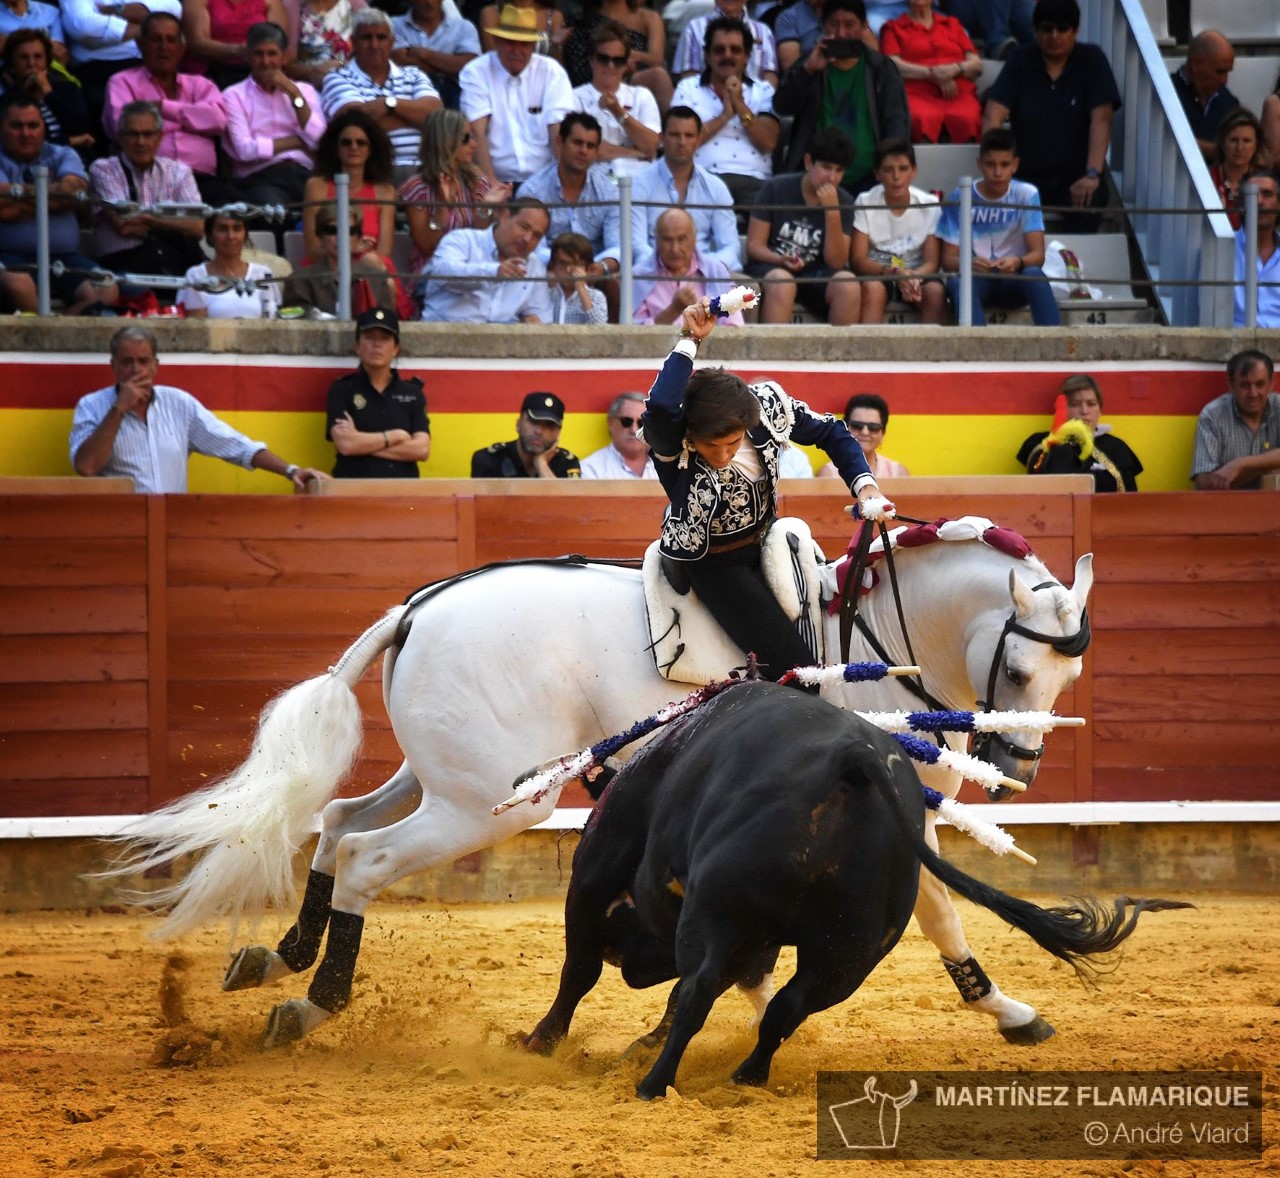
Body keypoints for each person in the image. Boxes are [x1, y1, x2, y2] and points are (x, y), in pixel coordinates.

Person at [641, 297, 882, 683]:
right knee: (798, 672)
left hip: (767, 541)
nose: (721, 455)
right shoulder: (674, 437)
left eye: (732, 443)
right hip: (711, 562)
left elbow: (832, 431)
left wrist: (865, 486)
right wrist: (689, 339)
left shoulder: (766, 407)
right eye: (709, 446)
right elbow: (661, 406)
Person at [70, 325, 325, 494]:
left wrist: (290, 471)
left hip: (169, 523)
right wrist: (119, 409)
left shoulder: (179, 403)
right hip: (117, 526)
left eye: (143, 361)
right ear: (113, 365)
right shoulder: (91, 406)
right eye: (127, 362)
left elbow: (235, 445)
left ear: (156, 365)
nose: (136, 370)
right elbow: (87, 467)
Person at [982, 0, 1119, 234]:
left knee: (1090, 198)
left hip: (1077, 177)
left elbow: (1102, 119)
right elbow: (994, 113)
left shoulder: (1092, 59)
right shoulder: (1020, 60)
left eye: (1062, 28)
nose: (1054, 36)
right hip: (1025, 177)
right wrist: (995, 169)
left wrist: (1092, 174)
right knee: (998, 207)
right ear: (1035, 31)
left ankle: (1072, 266)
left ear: (1075, 31)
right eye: (1046, 29)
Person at [772, 0, 910, 195]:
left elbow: (896, 122)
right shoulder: (809, 64)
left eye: (849, 25)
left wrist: (887, 169)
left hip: (869, 179)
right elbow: (783, 106)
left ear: (864, 27)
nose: (841, 33)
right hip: (815, 177)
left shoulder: (882, 68)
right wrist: (807, 71)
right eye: (834, 24)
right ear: (823, 25)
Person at [0, 93, 118, 315]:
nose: (26, 133)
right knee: (18, 284)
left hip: (64, 257)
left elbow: (73, 194)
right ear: (1, 127)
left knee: (107, 288)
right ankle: (41, 336)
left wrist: (18, 196)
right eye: (17, 126)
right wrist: (53, 196)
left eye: (33, 125)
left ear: (43, 127)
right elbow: (2, 208)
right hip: (9, 255)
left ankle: (61, 326)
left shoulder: (63, 153)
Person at [103, 12, 236, 206]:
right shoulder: (121, 82)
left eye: (171, 40)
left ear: (182, 48)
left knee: (237, 210)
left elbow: (218, 121)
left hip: (203, 180)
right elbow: (121, 127)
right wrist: (194, 120)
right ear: (141, 44)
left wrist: (162, 109)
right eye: (156, 40)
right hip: (147, 179)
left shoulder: (201, 85)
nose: (164, 47)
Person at [937, 126, 1060, 327]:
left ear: (1015, 165)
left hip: (1013, 279)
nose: (997, 172)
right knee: (959, 282)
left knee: (1034, 275)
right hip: (976, 280)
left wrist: (1018, 262)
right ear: (979, 164)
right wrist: (970, 263)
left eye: (1004, 165)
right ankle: (977, 350)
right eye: (990, 165)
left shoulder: (1027, 194)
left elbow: (1038, 255)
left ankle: (1055, 343)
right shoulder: (960, 195)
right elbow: (948, 259)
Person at [745, 125, 860, 325]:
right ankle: (774, 354)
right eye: (826, 167)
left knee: (848, 285)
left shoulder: (845, 201)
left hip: (816, 272)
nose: (831, 178)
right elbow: (754, 246)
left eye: (839, 171)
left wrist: (832, 212)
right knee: (783, 283)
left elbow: (836, 263)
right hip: (772, 266)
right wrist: (780, 259)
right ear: (808, 162)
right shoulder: (776, 188)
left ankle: (840, 355)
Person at [89, 100, 205, 295]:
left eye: (148, 134)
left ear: (159, 137)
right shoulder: (103, 169)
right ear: (120, 138)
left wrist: (147, 219)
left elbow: (198, 226)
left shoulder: (179, 172)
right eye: (133, 134)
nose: (141, 142)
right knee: (140, 293)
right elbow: (123, 224)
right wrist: (170, 219)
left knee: (210, 291)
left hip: (175, 259)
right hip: (122, 262)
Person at [670, 16, 780, 216]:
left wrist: (740, 105)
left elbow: (768, 142)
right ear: (707, 55)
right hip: (702, 178)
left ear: (747, 56)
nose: (727, 55)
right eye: (719, 50)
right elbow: (681, 142)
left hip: (754, 181)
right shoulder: (687, 88)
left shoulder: (763, 90)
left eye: (735, 50)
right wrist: (724, 117)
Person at [459, 4, 574, 188]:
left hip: (544, 180)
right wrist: (491, 184)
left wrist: (560, 184)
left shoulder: (552, 72)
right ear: (496, 41)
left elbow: (557, 131)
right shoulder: (476, 72)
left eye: (524, 44)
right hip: (492, 178)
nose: (516, 50)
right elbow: (476, 131)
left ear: (534, 45)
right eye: (510, 42)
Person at [320, 8, 440, 176]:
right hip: (372, 173)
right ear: (353, 42)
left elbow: (436, 116)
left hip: (425, 171)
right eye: (367, 37)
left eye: (381, 37)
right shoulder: (338, 77)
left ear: (391, 43)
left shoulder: (413, 74)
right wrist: (415, 118)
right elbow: (352, 124)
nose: (374, 45)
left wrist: (388, 104)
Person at [222, 22, 326, 217]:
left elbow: (320, 140)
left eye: (272, 54)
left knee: (333, 214)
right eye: (259, 54)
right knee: (275, 215)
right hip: (262, 178)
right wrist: (297, 141)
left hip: (307, 175)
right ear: (248, 56)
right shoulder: (233, 95)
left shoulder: (305, 91)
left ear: (284, 57)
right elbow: (245, 151)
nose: (266, 61)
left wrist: (293, 93)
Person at [629, 106, 741, 275]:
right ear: (661, 138)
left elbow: (730, 247)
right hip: (653, 272)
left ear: (698, 140)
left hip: (706, 273)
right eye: (675, 135)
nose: (682, 142)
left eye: (689, 136)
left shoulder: (716, 187)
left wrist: (702, 268)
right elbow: (637, 245)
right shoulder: (639, 184)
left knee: (749, 288)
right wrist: (663, 267)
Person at [399, 107, 507, 275]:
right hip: (433, 273)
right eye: (465, 138)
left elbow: (479, 239)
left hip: (473, 270)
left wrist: (485, 207)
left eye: (472, 136)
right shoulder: (418, 187)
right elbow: (426, 247)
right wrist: (443, 207)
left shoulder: (476, 180)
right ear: (445, 141)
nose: (474, 144)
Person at [326, 307, 430, 478]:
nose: (377, 344)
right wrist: (396, 436)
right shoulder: (341, 390)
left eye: (385, 338)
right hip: (353, 491)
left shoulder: (412, 394)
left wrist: (361, 444)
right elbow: (346, 445)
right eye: (369, 337)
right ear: (357, 347)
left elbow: (421, 450)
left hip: (403, 493)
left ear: (396, 348)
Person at [849, 137, 944, 324]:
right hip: (880, 272)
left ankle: (930, 352)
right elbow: (858, 260)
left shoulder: (929, 204)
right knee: (872, 289)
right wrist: (895, 274)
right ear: (877, 174)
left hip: (917, 273)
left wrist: (912, 278)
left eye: (903, 169)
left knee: (935, 292)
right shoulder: (865, 201)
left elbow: (932, 262)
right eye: (888, 170)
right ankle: (869, 351)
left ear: (914, 171)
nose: (896, 177)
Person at [420, 195, 554, 323]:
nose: (527, 239)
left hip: (501, 343)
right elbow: (443, 273)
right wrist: (494, 272)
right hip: (443, 336)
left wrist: (534, 321)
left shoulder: (534, 266)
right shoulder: (463, 239)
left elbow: (542, 317)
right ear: (505, 216)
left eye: (536, 236)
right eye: (524, 227)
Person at [517, 113, 621, 277]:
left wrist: (601, 266)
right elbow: (533, 248)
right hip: (549, 271)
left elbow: (618, 247)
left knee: (613, 280)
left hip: (596, 274)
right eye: (577, 143)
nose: (583, 151)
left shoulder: (609, 192)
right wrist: (566, 266)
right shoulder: (532, 191)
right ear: (560, 142)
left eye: (591, 146)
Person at [1016, 374, 1141, 492]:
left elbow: (1130, 500)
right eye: (1075, 404)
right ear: (1063, 409)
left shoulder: (1116, 447)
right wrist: (1060, 436)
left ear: (1100, 410)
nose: (1084, 411)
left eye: (1091, 404)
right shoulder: (1040, 442)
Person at [879, 0, 981, 145]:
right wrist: (931, 74)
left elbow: (976, 63)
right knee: (921, 117)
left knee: (968, 117)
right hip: (916, 93)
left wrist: (953, 70)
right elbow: (891, 64)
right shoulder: (893, 28)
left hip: (957, 92)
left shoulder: (952, 24)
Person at [569, 20, 660, 180]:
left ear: (626, 64)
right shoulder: (574, 98)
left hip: (640, 181)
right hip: (594, 181)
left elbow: (651, 146)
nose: (610, 66)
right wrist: (633, 153)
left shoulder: (642, 95)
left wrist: (617, 111)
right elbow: (585, 149)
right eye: (603, 59)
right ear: (591, 59)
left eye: (618, 60)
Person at [302, 109, 395, 263]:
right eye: (346, 142)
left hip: (370, 270)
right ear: (336, 148)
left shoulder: (385, 192)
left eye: (361, 142)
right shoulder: (316, 187)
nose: (353, 147)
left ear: (371, 149)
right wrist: (352, 248)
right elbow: (313, 250)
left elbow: (384, 253)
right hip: (326, 269)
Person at [60, 0, 183, 115]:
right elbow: (85, 28)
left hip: (151, 66)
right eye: (154, 37)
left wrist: (116, 10)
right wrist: (150, 30)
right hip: (99, 72)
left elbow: (174, 9)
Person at [633, 206, 744, 325]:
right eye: (667, 240)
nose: (675, 249)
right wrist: (674, 310)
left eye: (681, 239)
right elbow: (637, 336)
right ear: (657, 240)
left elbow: (734, 326)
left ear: (694, 238)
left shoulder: (716, 271)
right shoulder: (639, 276)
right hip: (661, 344)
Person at [280, 201, 399, 313]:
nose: (341, 237)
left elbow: (386, 329)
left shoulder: (377, 280)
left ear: (359, 237)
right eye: (332, 230)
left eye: (349, 231)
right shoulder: (299, 282)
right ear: (320, 235)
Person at [1191, 349, 1280, 491]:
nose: (1253, 393)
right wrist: (1269, 466)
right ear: (1231, 384)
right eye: (1245, 385)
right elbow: (1204, 482)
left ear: (1271, 383)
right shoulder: (1212, 415)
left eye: (1260, 384)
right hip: (1226, 509)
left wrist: (1240, 464)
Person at [562, 0, 670, 113]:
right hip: (593, 74)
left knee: (658, 76)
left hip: (632, 77)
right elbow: (575, 61)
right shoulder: (582, 20)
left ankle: (675, 125)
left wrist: (622, 57)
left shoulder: (649, 17)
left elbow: (656, 59)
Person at [0, 29, 93, 155]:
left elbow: (80, 127)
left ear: (47, 61)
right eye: (23, 57)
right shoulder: (7, 102)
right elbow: (22, 142)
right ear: (12, 64)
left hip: (76, 159)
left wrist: (49, 93)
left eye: (38, 57)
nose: (31, 64)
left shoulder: (67, 89)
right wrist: (70, 140)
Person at [177, 208, 281, 318]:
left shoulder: (263, 273)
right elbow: (197, 329)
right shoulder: (196, 276)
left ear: (245, 234)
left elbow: (272, 322)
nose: (230, 236)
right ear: (211, 235)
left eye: (237, 229)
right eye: (222, 229)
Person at [471, 390, 582, 477]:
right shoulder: (489, 459)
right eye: (534, 422)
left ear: (558, 433)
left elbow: (566, 504)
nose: (539, 431)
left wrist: (541, 464)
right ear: (518, 424)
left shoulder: (567, 462)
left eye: (548, 426)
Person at [391, 0, 479, 111]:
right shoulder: (394, 25)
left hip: (452, 93)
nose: (429, 3)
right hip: (408, 91)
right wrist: (449, 64)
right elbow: (400, 61)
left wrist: (423, 53)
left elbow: (469, 67)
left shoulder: (464, 27)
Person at [180, 0, 289, 89]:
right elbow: (197, 44)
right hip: (212, 73)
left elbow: (279, 43)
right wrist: (237, 50)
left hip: (259, 71)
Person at [672, 0, 778, 90]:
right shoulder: (694, 28)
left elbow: (770, 76)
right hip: (705, 104)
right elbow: (688, 76)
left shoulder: (763, 31)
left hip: (754, 105)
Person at [1171, 29, 1239, 163]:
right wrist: (1216, 150)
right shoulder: (1167, 93)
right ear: (1196, 64)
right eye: (1220, 72)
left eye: (1227, 72)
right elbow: (1163, 138)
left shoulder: (1228, 100)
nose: (1224, 80)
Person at [817, 392, 909, 478]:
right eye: (857, 426)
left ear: (883, 434)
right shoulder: (829, 474)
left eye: (873, 427)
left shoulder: (897, 474)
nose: (865, 432)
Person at [1210, 108, 1269, 231]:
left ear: (1256, 145)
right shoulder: (1208, 179)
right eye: (1233, 140)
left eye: (1247, 141)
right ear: (1222, 143)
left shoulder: (1266, 184)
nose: (1240, 148)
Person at [1234, 172, 1280, 329]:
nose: (1259, 201)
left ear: (1278, 204)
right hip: (1234, 344)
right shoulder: (1221, 250)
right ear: (1241, 204)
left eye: (1267, 194)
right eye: (1251, 194)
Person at [287, 0, 366, 89]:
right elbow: (286, 64)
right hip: (308, 87)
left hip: (352, 84)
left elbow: (373, 50)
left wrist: (344, 66)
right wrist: (314, 73)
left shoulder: (354, 3)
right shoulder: (293, 5)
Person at [580, 390, 656, 478]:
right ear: (610, 424)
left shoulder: (671, 467)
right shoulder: (591, 469)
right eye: (626, 421)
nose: (634, 430)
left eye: (642, 423)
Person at [546, 230, 608, 324]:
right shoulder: (546, 294)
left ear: (587, 269)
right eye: (562, 263)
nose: (568, 270)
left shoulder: (596, 296)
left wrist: (582, 289)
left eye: (575, 264)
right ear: (553, 266)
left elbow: (599, 327)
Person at [477, 0, 563, 59]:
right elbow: (492, 59)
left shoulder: (554, 16)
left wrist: (555, 46)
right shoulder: (491, 13)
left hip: (542, 80)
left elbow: (557, 67)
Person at [0, 0, 68, 65]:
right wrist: (44, 41)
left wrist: (10, 42)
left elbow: (58, 52)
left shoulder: (51, 12)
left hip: (46, 72)